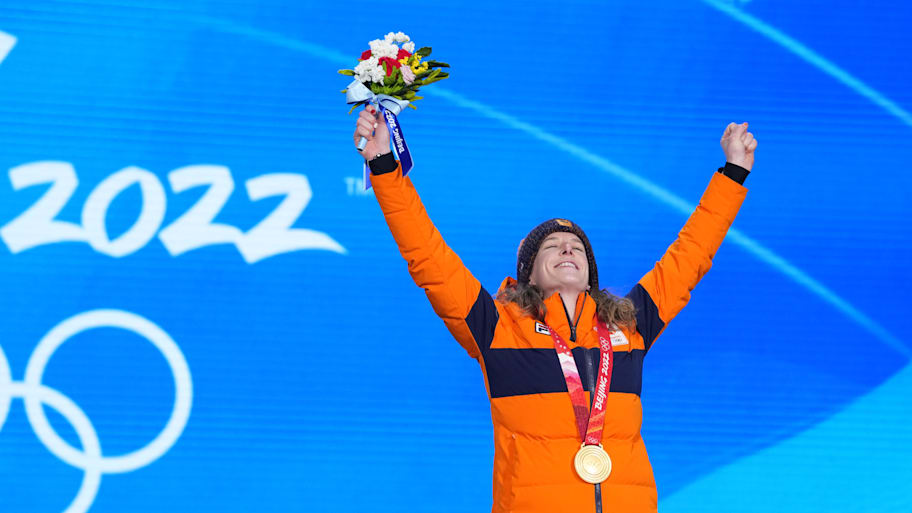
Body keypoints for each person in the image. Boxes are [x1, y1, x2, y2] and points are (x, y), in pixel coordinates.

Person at [353, 106, 755, 513]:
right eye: (553, 246)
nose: (567, 249)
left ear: (589, 273)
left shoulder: (629, 327)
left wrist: (733, 172)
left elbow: (691, 254)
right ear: (528, 273)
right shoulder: (497, 328)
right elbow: (427, 256)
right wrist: (384, 165)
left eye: (577, 247)